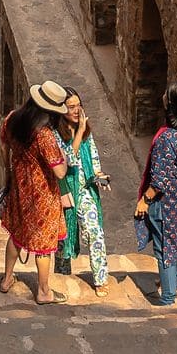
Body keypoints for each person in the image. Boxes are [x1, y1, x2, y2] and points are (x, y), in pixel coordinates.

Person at [0, 80, 70, 304]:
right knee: (43, 245)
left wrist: (11, 175)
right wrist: (65, 158)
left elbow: (4, 148)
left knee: (17, 234)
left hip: (20, 187)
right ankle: (44, 291)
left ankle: (7, 278)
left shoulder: (12, 119)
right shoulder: (44, 135)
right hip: (42, 194)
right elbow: (59, 172)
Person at [135, 81, 177, 306]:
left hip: (168, 199)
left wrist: (145, 200)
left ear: (171, 104)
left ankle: (168, 296)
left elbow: (160, 179)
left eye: (167, 95)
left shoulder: (168, 138)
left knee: (164, 244)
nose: (163, 95)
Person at [56, 89, 110, 295]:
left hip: (85, 190)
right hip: (66, 191)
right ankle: (61, 278)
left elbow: (93, 158)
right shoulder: (56, 134)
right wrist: (79, 132)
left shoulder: (86, 132)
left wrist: (100, 176)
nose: (76, 110)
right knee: (63, 239)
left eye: (78, 105)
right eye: (71, 107)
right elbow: (67, 160)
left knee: (95, 232)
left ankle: (101, 278)